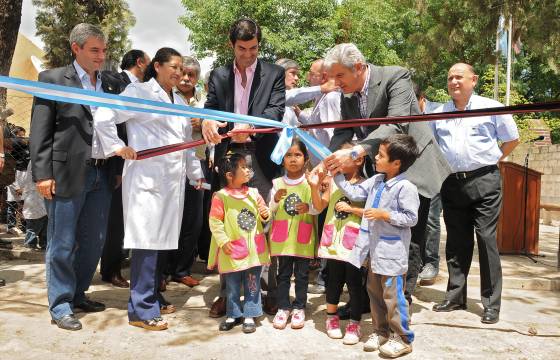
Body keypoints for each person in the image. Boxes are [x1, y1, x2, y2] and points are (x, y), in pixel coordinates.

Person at [322, 43, 451, 307]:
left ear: (358, 68)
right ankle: (368, 302)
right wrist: (328, 160)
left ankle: (399, 305)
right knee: (372, 233)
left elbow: (397, 123)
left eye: (339, 76)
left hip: (413, 167)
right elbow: (342, 133)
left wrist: (357, 150)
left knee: (409, 238)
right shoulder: (348, 96)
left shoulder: (396, 76)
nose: (335, 83)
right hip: (380, 171)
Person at [93, 47, 204, 331]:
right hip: (147, 181)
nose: (179, 73)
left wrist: (195, 175)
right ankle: (141, 309)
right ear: (157, 66)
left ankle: (153, 294)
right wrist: (118, 147)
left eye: (182, 68)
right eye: (174, 67)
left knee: (163, 241)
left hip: (172, 182)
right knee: (146, 242)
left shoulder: (178, 100)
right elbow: (105, 113)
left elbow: (185, 143)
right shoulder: (139, 93)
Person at [29, 23, 124, 331]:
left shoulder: (110, 83)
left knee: (94, 241)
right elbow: (40, 131)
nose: (101, 57)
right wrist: (42, 173)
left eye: (104, 50)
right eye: (94, 50)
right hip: (66, 174)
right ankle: (60, 304)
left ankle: (79, 293)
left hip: (103, 173)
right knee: (62, 242)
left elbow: (120, 126)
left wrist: (119, 168)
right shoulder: (53, 79)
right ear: (76, 49)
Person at [202, 17, 285, 317]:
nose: (248, 55)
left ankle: (268, 291)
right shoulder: (219, 75)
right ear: (231, 45)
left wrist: (248, 126)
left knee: (263, 224)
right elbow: (210, 107)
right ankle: (228, 293)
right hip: (228, 155)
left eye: (253, 48)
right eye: (242, 48)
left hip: (259, 157)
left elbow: (276, 111)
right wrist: (208, 121)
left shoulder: (274, 73)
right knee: (226, 224)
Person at [431, 63, 519, 324]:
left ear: (474, 80)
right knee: (457, 242)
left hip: (485, 181)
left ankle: (491, 303)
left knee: (485, 239)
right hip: (452, 184)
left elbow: (512, 139)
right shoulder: (439, 112)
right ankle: (455, 296)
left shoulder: (491, 107)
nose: (454, 81)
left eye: (459, 77)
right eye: (450, 77)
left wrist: (494, 160)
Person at [322, 134, 419, 357]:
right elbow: (355, 193)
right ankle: (380, 332)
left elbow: (411, 218)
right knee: (374, 293)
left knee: (393, 298)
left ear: (396, 163)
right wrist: (337, 175)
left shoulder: (406, 187)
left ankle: (402, 338)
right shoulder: (376, 180)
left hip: (392, 255)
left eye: (381, 155)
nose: (375, 157)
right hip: (373, 254)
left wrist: (386, 215)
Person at [307, 141, 366, 345]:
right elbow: (320, 205)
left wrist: (353, 210)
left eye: (342, 157)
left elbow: (369, 213)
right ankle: (331, 319)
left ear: (358, 159)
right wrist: (315, 187)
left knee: (355, 284)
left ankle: (354, 323)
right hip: (333, 242)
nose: (335, 161)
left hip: (354, 244)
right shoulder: (332, 182)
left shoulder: (366, 184)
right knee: (333, 280)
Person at [100, 49, 149, 289]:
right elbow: (110, 121)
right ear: (141, 63)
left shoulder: (145, 91)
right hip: (111, 159)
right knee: (114, 222)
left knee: (118, 219)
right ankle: (110, 269)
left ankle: (112, 267)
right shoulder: (111, 81)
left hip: (126, 162)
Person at [208, 153, 270, 333]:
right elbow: (215, 221)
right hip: (232, 249)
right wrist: (223, 240)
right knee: (232, 285)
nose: (248, 170)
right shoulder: (221, 196)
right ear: (229, 175)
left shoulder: (254, 193)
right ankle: (233, 314)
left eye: (247, 166)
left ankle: (250, 314)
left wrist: (266, 214)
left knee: (252, 283)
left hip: (253, 250)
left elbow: (263, 211)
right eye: (243, 167)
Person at [268, 139, 318, 330]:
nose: (293, 159)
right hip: (283, 240)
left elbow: (317, 208)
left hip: (302, 239)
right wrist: (275, 198)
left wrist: (309, 208)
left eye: (297, 155)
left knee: (302, 274)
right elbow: (269, 210)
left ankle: (299, 307)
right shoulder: (277, 183)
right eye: (288, 155)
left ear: (305, 159)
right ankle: (283, 307)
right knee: (283, 274)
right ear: (282, 160)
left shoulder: (309, 183)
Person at [166, 56, 207, 288]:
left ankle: (182, 269)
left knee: (193, 219)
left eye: (191, 75)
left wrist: (201, 125)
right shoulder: (168, 97)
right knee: (171, 217)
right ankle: (162, 272)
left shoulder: (204, 100)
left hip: (198, 162)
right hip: (171, 165)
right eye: (182, 73)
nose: (186, 78)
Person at [412, 82, 443, 284]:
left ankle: (431, 262)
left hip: (434, 174)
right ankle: (417, 261)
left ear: (421, 98)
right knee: (415, 219)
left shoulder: (437, 114)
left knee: (431, 219)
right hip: (413, 175)